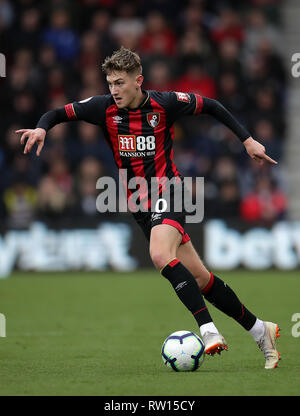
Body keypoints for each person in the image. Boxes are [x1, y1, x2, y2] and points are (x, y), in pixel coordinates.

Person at [16, 47, 280, 369]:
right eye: (110, 83)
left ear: (138, 81)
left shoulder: (164, 103)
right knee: (200, 279)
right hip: (139, 205)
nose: (114, 90)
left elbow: (211, 105)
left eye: (120, 83)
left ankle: (208, 330)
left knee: (158, 255)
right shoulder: (103, 109)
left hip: (171, 191)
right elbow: (56, 114)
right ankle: (259, 330)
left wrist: (247, 140)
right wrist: (42, 127)